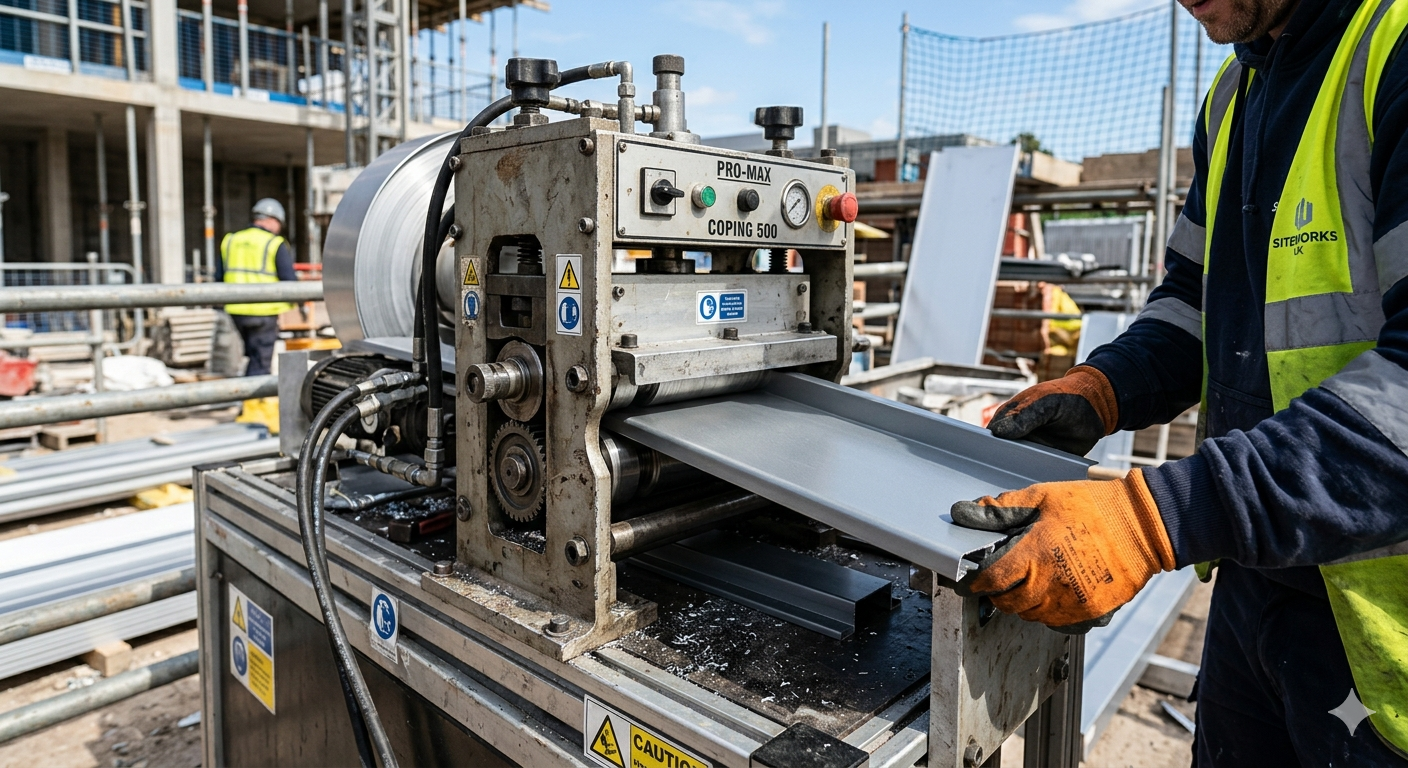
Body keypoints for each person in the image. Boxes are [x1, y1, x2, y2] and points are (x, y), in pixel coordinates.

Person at [950, 0, 1408, 763]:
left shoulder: (1392, 50)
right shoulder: (1236, 91)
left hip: (1384, 626)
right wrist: (1107, 386)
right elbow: (1198, 300)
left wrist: (1153, 520)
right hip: (1259, 578)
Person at [217, 198, 296, 377]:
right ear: (271, 220)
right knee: (260, 362)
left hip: (236, 311)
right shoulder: (274, 243)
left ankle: (247, 398)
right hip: (264, 313)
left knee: (250, 356)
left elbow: (219, 277)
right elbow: (289, 281)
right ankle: (255, 402)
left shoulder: (231, 240)